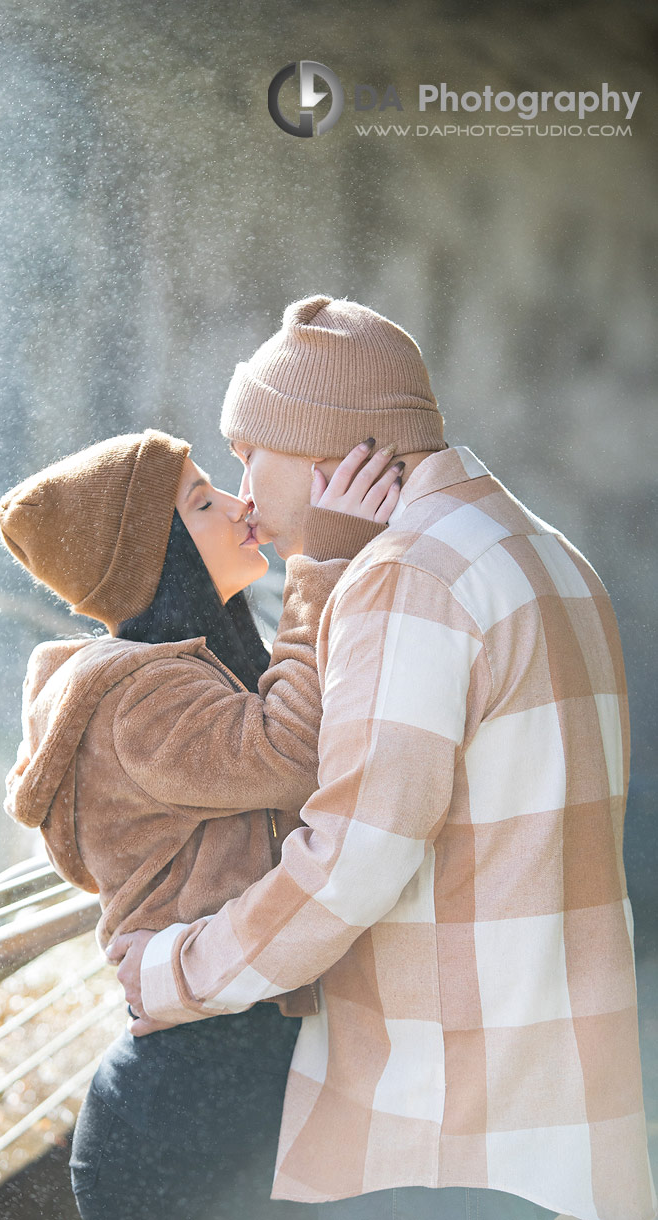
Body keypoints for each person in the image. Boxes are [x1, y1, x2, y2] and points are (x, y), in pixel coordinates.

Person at [113, 295, 657, 1220]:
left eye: (251, 454)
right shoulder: (545, 550)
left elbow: (351, 862)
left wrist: (173, 972)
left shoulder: (407, 576)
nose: (241, 492)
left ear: (326, 449)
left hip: (440, 1130)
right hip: (559, 1119)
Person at [0, 427, 403, 1220]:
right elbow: (291, 752)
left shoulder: (187, 671)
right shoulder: (138, 698)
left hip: (221, 1096)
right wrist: (321, 561)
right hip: (177, 1126)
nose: (241, 504)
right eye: (203, 501)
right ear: (157, 550)